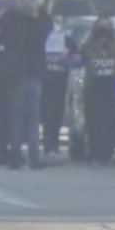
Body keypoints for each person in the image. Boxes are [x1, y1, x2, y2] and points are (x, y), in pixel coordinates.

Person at [0, 0, 53, 170]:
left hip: (17, 76)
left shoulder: (13, 22)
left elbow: (2, 22)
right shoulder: (40, 24)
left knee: (16, 118)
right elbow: (49, 24)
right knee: (33, 119)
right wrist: (38, 8)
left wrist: (18, 7)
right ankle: (34, 158)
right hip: (33, 76)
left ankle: (15, 157)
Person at [81, 15, 115, 166]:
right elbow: (83, 59)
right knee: (94, 123)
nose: (104, 29)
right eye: (101, 25)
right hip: (93, 88)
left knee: (111, 122)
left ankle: (108, 154)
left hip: (112, 89)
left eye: (106, 25)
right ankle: (95, 154)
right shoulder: (89, 44)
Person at [41, 21, 75, 158]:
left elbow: (78, 57)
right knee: (47, 115)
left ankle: (54, 144)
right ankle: (48, 145)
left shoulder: (67, 41)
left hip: (61, 83)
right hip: (45, 82)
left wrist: (68, 55)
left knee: (57, 115)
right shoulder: (41, 40)